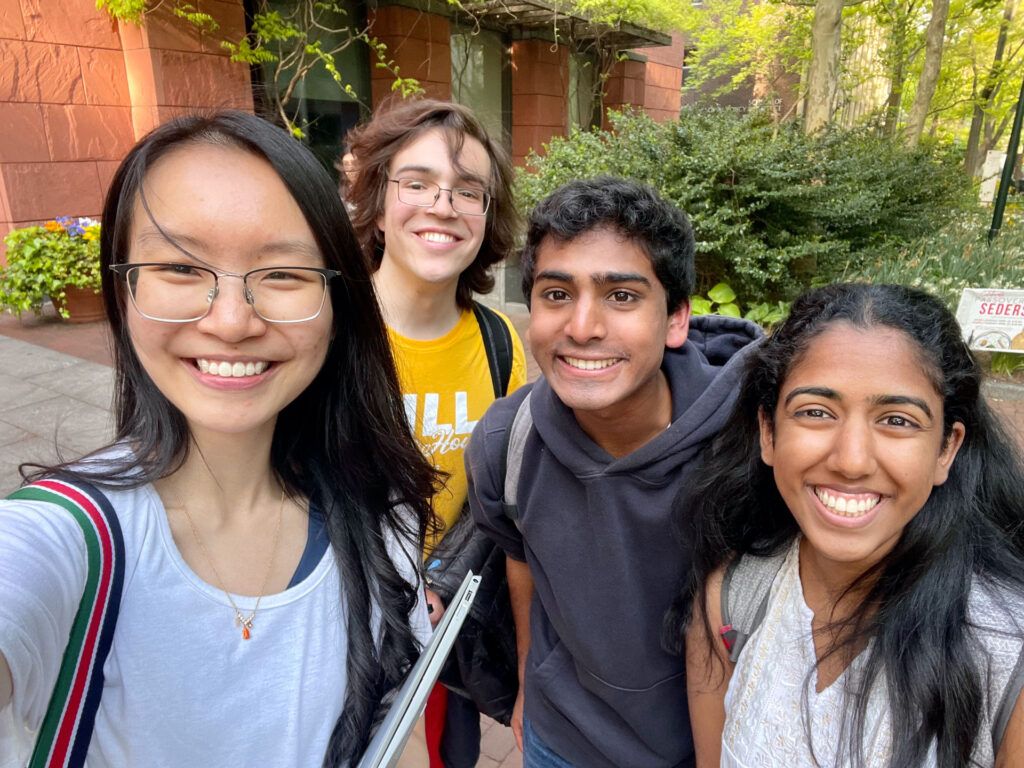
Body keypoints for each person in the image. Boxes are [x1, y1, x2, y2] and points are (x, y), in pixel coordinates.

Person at [0, 112, 436, 766]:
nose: (231, 322)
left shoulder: (380, 514)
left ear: (336, 304)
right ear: (124, 292)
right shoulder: (65, 541)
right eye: (180, 267)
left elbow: (395, 740)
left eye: (283, 274)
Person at [467, 177, 763, 767]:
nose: (582, 326)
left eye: (622, 296)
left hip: (710, 746)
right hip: (561, 738)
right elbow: (520, 557)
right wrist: (528, 682)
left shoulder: (751, 445)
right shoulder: (507, 442)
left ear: (676, 318)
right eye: (556, 295)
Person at [674, 283, 1024, 767]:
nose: (852, 460)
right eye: (816, 412)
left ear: (947, 448)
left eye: (897, 420)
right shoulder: (732, 597)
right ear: (769, 433)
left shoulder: (1008, 664)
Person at [346, 99, 526, 767]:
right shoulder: (327, 329)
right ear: (376, 197)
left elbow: (502, 487)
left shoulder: (500, 340)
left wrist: (448, 580)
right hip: (341, 631)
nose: (442, 205)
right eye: (417, 183)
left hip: (446, 638)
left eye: (467, 190)